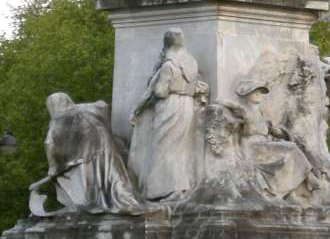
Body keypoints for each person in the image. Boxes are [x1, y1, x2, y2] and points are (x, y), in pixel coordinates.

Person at [29, 93, 144, 216]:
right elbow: (102, 105)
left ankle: (102, 204)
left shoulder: (59, 119)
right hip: (108, 148)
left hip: (87, 159)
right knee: (116, 180)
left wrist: (49, 174)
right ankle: (126, 202)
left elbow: (50, 145)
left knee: (90, 193)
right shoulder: (88, 108)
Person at [128, 28, 208, 201]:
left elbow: (160, 91)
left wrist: (138, 109)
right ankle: (180, 187)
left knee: (163, 148)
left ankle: (163, 190)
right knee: (178, 148)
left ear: (166, 45)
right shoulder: (191, 62)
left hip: (169, 106)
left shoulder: (168, 65)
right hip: (186, 104)